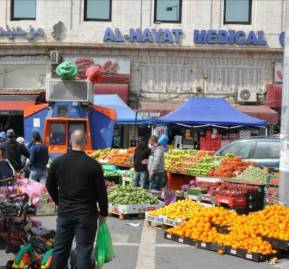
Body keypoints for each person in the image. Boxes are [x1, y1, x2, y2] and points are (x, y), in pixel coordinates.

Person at [46, 129, 108, 269]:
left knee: (60, 250)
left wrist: (59, 201)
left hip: (65, 212)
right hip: (87, 214)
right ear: (85, 142)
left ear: (70, 142)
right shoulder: (93, 165)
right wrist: (104, 212)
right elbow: (101, 192)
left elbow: (49, 185)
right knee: (84, 251)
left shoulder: (58, 162)